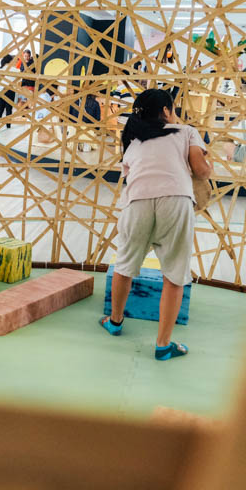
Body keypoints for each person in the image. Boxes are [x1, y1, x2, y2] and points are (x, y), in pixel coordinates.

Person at [100, 89, 210, 360]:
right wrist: (208, 168)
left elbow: (130, 175)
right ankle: (163, 345)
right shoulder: (185, 131)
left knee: (125, 265)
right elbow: (200, 169)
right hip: (175, 200)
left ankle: (115, 322)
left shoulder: (134, 142)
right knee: (174, 274)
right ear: (165, 111)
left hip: (137, 201)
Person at [0, 54, 16, 126]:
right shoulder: (14, 70)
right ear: (10, 61)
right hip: (10, 91)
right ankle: (8, 126)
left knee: (0, 108)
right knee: (9, 109)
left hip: (0, 91)